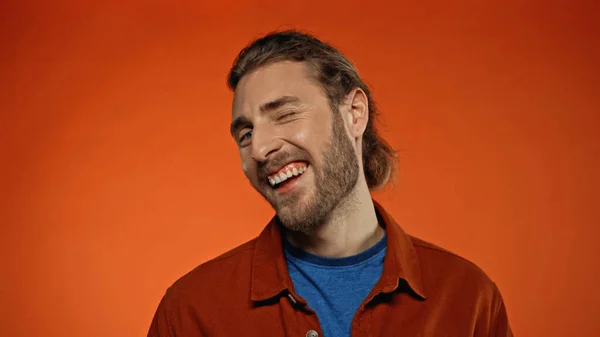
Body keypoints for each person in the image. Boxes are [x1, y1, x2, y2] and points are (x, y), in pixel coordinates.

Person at [147, 30, 513, 337]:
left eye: (285, 114)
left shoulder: (469, 299)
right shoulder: (190, 311)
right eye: (245, 134)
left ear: (354, 114)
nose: (258, 148)